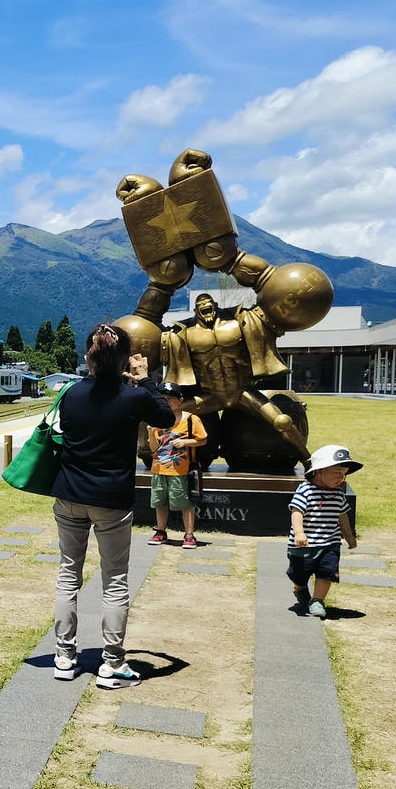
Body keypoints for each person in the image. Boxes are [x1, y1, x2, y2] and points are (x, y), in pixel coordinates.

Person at [50, 323, 174, 688]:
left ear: (88, 356)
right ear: (124, 359)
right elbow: (166, 418)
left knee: (67, 575)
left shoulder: (71, 393)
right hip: (112, 499)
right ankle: (112, 663)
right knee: (114, 581)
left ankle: (64, 657)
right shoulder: (133, 396)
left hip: (70, 495)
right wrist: (145, 378)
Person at [160, 292, 307, 457]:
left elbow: (269, 316)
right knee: (162, 416)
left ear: (215, 305)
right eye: (200, 304)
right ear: (195, 310)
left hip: (242, 392)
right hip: (210, 396)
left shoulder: (239, 323)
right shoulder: (183, 333)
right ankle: (159, 459)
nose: (205, 306)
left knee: (283, 421)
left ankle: (307, 459)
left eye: (208, 303)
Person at [287, 443, 361, 618]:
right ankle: (299, 585)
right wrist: (299, 533)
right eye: (336, 473)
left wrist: (349, 535)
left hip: (330, 542)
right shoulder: (305, 490)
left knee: (327, 572)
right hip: (304, 544)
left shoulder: (338, 494)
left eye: (343, 474)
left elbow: (342, 515)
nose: (341, 478)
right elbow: (297, 511)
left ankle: (318, 600)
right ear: (319, 470)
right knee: (298, 573)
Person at [146, 381, 207, 549]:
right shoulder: (157, 420)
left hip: (181, 470)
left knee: (185, 503)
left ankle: (189, 534)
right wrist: (151, 433)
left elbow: (203, 439)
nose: (166, 401)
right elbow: (153, 448)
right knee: (160, 502)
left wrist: (186, 441)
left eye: (170, 398)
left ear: (180, 400)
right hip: (159, 468)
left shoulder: (191, 419)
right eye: (162, 398)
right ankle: (161, 531)